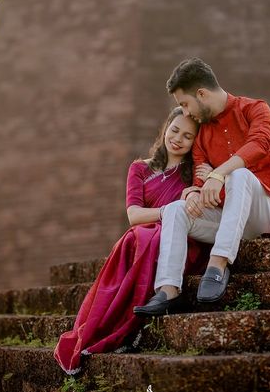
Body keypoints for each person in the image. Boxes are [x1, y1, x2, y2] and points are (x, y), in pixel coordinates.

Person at [134, 58, 270, 317]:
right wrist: (192, 193)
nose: (186, 112)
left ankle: (218, 263)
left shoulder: (255, 109)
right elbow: (201, 182)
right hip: (230, 221)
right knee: (177, 209)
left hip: (269, 212)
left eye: (185, 104)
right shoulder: (202, 135)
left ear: (201, 94)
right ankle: (168, 290)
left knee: (240, 176)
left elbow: (259, 144)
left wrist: (219, 173)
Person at [54, 107, 211, 374]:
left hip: (181, 241)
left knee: (143, 237)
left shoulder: (194, 172)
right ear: (165, 128)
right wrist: (168, 211)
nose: (178, 139)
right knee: (137, 236)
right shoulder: (140, 169)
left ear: (195, 142)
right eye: (175, 130)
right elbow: (134, 214)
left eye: (187, 136)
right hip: (148, 232)